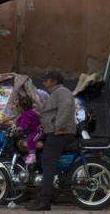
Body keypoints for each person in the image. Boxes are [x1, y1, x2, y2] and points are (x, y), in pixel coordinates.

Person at [27, 71, 76, 211]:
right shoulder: (54, 94)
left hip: (60, 133)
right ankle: (47, 194)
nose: (43, 83)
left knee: (48, 163)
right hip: (55, 133)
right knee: (44, 160)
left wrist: (57, 127)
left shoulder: (62, 92)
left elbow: (65, 108)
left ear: (53, 81)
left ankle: (45, 201)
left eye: (46, 80)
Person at [15, 96, 43, 165]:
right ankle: (28, 155)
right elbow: (19, 122)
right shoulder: (24, 114)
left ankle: (32, 156)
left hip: (38, 132)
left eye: (17, 105)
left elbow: (24, 124)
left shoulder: (28, 113)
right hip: (32, 132)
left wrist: (20, 128)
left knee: (30, 140)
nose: (15, 107)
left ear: (22, 107)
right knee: (24, 141)